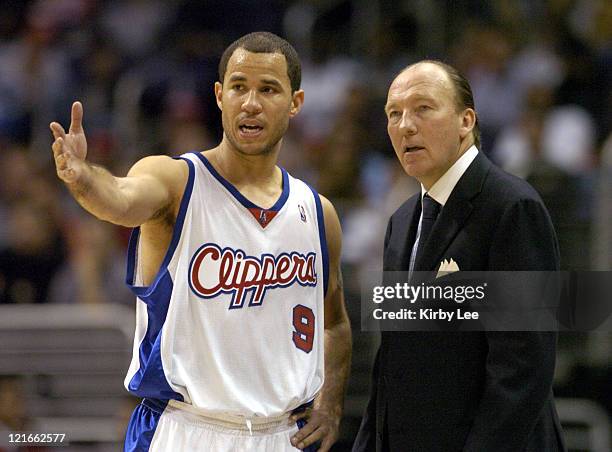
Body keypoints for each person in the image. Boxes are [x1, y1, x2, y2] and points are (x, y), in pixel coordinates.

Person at [50, 32, 351, 452]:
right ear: (219, 95)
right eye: (239, 86)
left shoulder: (319, 213)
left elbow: (334, 322)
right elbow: (120, 199)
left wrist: (330, 402)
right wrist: (83, 177)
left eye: (268, 89)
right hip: (185, 428)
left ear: (295, 103)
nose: (251, 102)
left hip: (285, 435)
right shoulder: (177, 181)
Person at [352, 60, 566, 451]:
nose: (405, 126)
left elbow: (523, 369)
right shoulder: (400, 223)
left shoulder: (512, 207)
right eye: (393, 114)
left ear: (466, 120)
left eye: (423, 108)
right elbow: (394, 360)